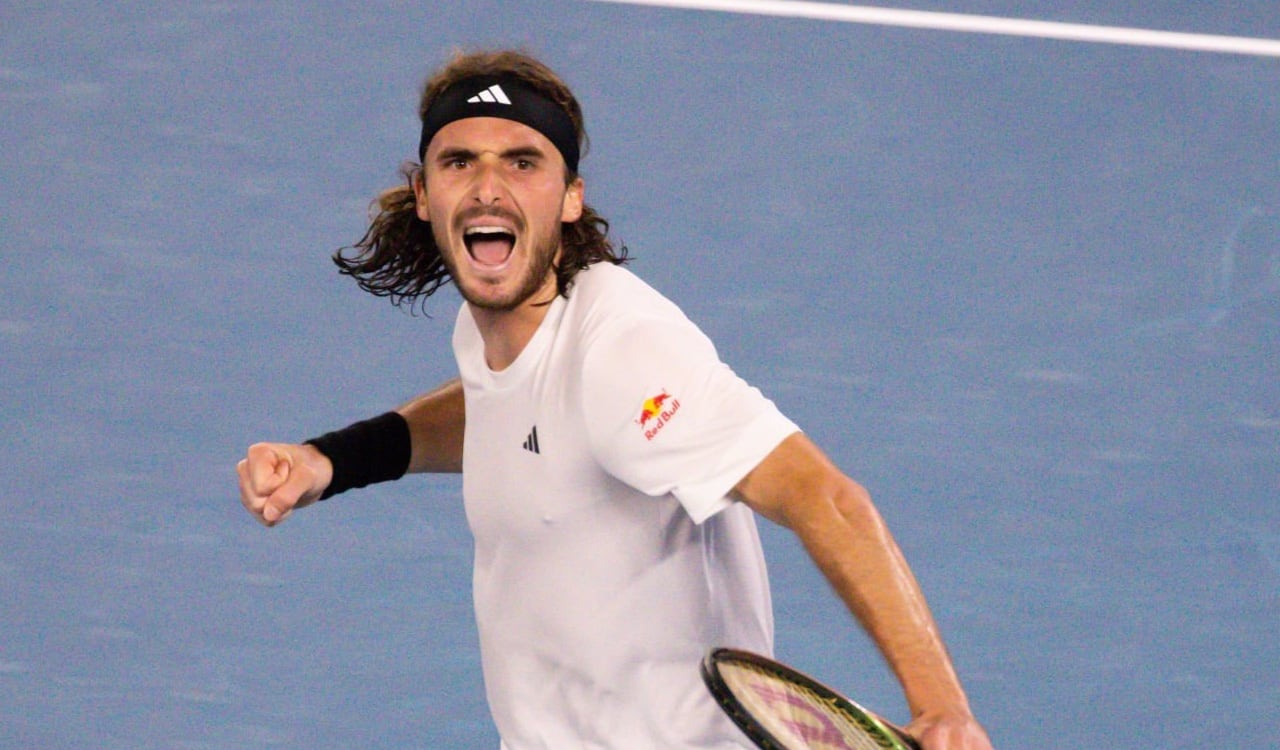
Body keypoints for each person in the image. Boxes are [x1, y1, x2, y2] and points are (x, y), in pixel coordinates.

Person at [237, 49, 993, 750]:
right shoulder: (503, 332)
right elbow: (503, 409)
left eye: (522, 162)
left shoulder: (625, 354)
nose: (488, 186)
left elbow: (824, 498)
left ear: (571, 198)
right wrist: (331, 462)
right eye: (460, 161)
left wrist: (941, 707)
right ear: (424, 196)